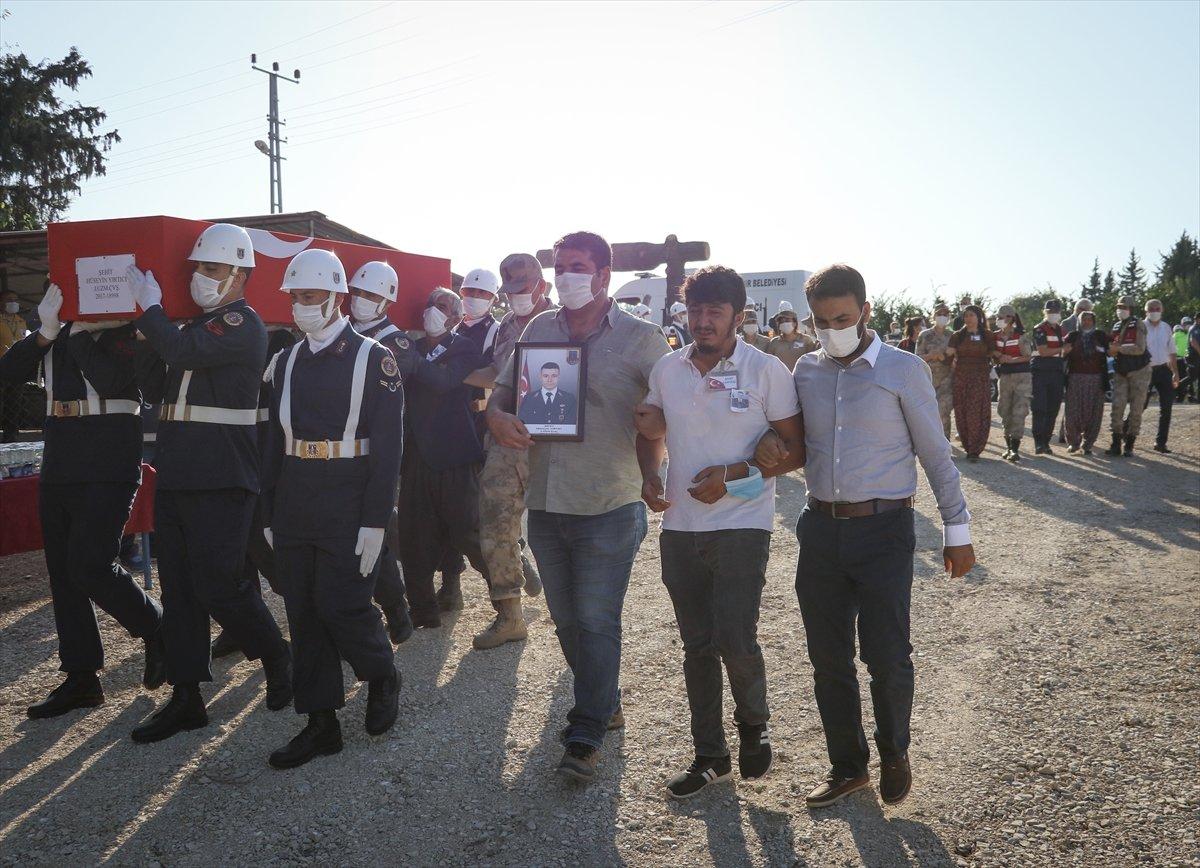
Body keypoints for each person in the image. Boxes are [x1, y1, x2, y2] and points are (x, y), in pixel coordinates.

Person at [754, 264, 974, 809]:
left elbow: (935, 454)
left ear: (866, 313)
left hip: (885, 530)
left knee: (888, 654)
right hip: (820, 528)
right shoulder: (804, 369)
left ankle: (894, 751)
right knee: (827, 658)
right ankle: (848, 767)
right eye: (823, 321)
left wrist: (957, 528)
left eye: (844, 318)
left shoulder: (904, 370)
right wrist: (764, 443)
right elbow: (789, 436)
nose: (834, 329)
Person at [487, 230, 669, 784]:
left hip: (611, 502)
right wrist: (496, 418)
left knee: (596, 618)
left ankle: (585, 731)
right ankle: (604, 696)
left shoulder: (643, 339)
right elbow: (501, 394)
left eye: (578, 266)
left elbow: (669, 413)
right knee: (567, 622)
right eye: (560, 266)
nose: (566, 275)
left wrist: (656, 463)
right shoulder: (538, 329)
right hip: (545, 503)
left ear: (603, 276)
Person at [633, 265, 804, 799]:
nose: (703, 321)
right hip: (680, 526)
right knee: (696, 646)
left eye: (716, 311)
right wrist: (648, 474)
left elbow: (795, 451)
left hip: (742, 523)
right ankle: (710, 756)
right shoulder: (667, 367)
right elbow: (651, 427)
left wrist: (731, 479)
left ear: (738, 314)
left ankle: (755, 725)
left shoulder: (766, 370)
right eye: (696, 311)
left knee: (734, 635)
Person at [127, 225, 292, 744]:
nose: (200, 278)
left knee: (220, 583)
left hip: (222, 473)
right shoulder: (191, 328)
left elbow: (183, 352)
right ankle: (187, 697)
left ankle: (276, 653)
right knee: (178, 590)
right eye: (197, 269)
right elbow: (155, 384)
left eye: (212, 269)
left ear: (239, 274)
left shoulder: (241, 322)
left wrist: (153, 316)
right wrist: (146, 334)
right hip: (178, 469)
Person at [259, 248, 401, 769]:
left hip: (348, 495)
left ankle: (381, 671)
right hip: (296, 495)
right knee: (302, 609)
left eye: (311, 296)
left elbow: (389, 448)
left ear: (338, 297)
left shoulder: (372, 357)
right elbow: (274, 441)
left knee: (342, 603)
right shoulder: (286, 359)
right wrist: (269, 511)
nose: (301, 305)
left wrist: (375, 520)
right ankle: (320, 724)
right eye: (295, 296)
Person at [0, 285, 165, 718]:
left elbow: (112, 380)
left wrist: (76, 333)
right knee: (63, 570)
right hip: (62, 446)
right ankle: (81, 677)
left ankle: (156, 626)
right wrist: (44, 334)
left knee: (91, 562)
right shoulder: (54, 329)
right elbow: (7, 373)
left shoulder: (125, 325)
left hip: (110, 444)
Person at [464, 252, 555, 650]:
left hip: (556, 442)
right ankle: (510, 616)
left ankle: (582, 623)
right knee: (496, 520)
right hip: (507, 438)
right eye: (511, 288)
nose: (517, 296)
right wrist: (448, 371)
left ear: (543, 286)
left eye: (523, 287)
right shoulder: (503, 329)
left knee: (563, 532)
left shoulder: (563, 324)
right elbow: (497, 376)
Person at [393, 288, 490, 627]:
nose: (433, 309)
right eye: (430, 303)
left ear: (454, 317)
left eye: (442, 306)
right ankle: (422, 611)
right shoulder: (413, 348)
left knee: (469, 533)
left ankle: (507, 599)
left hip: (455, 457)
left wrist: (414, 361)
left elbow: (445, 381)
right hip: (417, 457)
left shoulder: (463, 348)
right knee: (414, 538)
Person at [346, 259, 416, 643]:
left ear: (387, 301)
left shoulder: (396, 343)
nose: (360, 301)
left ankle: (395, 608)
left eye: (370, 295)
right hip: (342, 452)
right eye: (357, 292)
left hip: (378, 454)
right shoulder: (343, 336)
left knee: (375, 534)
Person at [1105, 295, 1151, 457]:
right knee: (1117, 407)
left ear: (1131, 309)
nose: (1120, 310)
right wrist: (1110, 349)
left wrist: (1119, 349)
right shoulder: (1117, 326)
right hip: (1121, 371)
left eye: (1124, 308)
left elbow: (1140, 348)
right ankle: (1116, 443)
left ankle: (1130, 444)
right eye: (1119, 307)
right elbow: (1112, 346)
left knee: (1136, 409)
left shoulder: (1138, 325)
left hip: (1139, 371)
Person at [948, 304, 992, 461]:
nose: (968, 318)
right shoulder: (957, 336)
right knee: (962, 412)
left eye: (971, 315)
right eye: (966, 315)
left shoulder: (987, 335)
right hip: (961, 378)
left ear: (979, 317)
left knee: (977, 413)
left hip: (980, 379)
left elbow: (995, 354)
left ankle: (975, 449)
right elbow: (949, 355)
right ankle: (967, 446)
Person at [1062, 310, 1108, 454]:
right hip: (1075, 378)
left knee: (1094, 413)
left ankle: (1088, 444)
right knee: (1072, 412)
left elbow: (1112, 350)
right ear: (1079, 322)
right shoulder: (1072, 336)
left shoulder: (1100, 336)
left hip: (1096, 379)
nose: (1086, 322)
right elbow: (1063, 352)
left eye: (1089, 319)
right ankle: (1073, 443)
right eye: (1084, 319)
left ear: (1093, 322)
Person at [992, 305, 1033, 462]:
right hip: (1005, 377)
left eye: (1003, 317)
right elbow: (991, 352)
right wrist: (997, 354)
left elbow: (1028, 356)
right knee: (1004, 409)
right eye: (999, 317)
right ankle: (1008, 445)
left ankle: (1015, 448)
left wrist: (1012, 359)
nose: (1000, 320)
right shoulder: (995, 336)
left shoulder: (1021, 336)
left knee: (1019, 411)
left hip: (1022, 375)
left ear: (1011, 318)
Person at [1142, 299, 1180, 453]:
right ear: (1146, 311)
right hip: (1145, 371)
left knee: (1166, 408)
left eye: (1157, 308)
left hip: (1164, 371)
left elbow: (1172, 352)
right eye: (1151, 309)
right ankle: (1125, 432)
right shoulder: (1141, 327)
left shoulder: (1166, 328)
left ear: (1162, 310)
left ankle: (1161, 443)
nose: (1154, 311)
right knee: (1140, 406)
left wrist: (1175, 373)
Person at [1029, 299, 1066, 455]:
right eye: (1050, 312)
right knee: (1039, 408)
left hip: (1057, 372)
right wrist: (1063, 349)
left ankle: (1046, 442)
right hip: (1040, 372)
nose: (1053, 314)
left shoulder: (1062, 330)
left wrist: (1062, 350)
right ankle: (1039, 443)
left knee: (1053, 409)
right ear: (1045, 312)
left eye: (1056, 312)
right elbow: (1043, 351)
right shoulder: (1039, 329)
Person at [915, 305, 954, 439]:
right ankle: (930, 443)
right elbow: (917, 359)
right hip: (927, 380)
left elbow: (955, 357)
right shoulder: (925, 335)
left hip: (946, 380)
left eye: (945, 314)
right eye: (939, 313)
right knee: (928, 413)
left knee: (944, 412)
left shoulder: (952, 336)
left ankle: (945, 442)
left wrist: (944, 357)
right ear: (934, 316)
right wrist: (931, 355)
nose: (942, 316)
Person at [1058, 299, 1093, 443]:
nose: (1082, 310)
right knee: (1071, 403)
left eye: (1086, 308)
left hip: (1086, 369)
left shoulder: (1091, 323)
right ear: (1075, 309)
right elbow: (1063, 346)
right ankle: (1065, 433)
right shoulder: (1066, 324)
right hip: (1070, 367)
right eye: (1080, 308)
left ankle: (1075, 433)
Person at [0, 290, 28, 443]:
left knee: (14, 402)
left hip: (16, 367)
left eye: (15, 299)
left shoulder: (21, 321)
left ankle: (11, 436)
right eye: (9, 299)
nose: (13, 302)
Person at [764, 306, 817, 371]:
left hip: (801, 378)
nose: (784, 323)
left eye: (787, 320)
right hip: (780, 378)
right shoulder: (774, 342)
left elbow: (813, 361)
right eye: (781, 322)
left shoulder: (806, 340)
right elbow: (768, 364)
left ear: (794, 323)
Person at [1173, 319, 1192, 402]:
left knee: (1185, 377)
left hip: (1183, 359)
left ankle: (1182, 396)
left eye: (1188, 323)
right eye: (1185, 324)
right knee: (1182, 377)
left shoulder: (1189, 334)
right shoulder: (1180, 334)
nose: (1187, 325)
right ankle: (1180, 396)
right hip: (1182, 359)